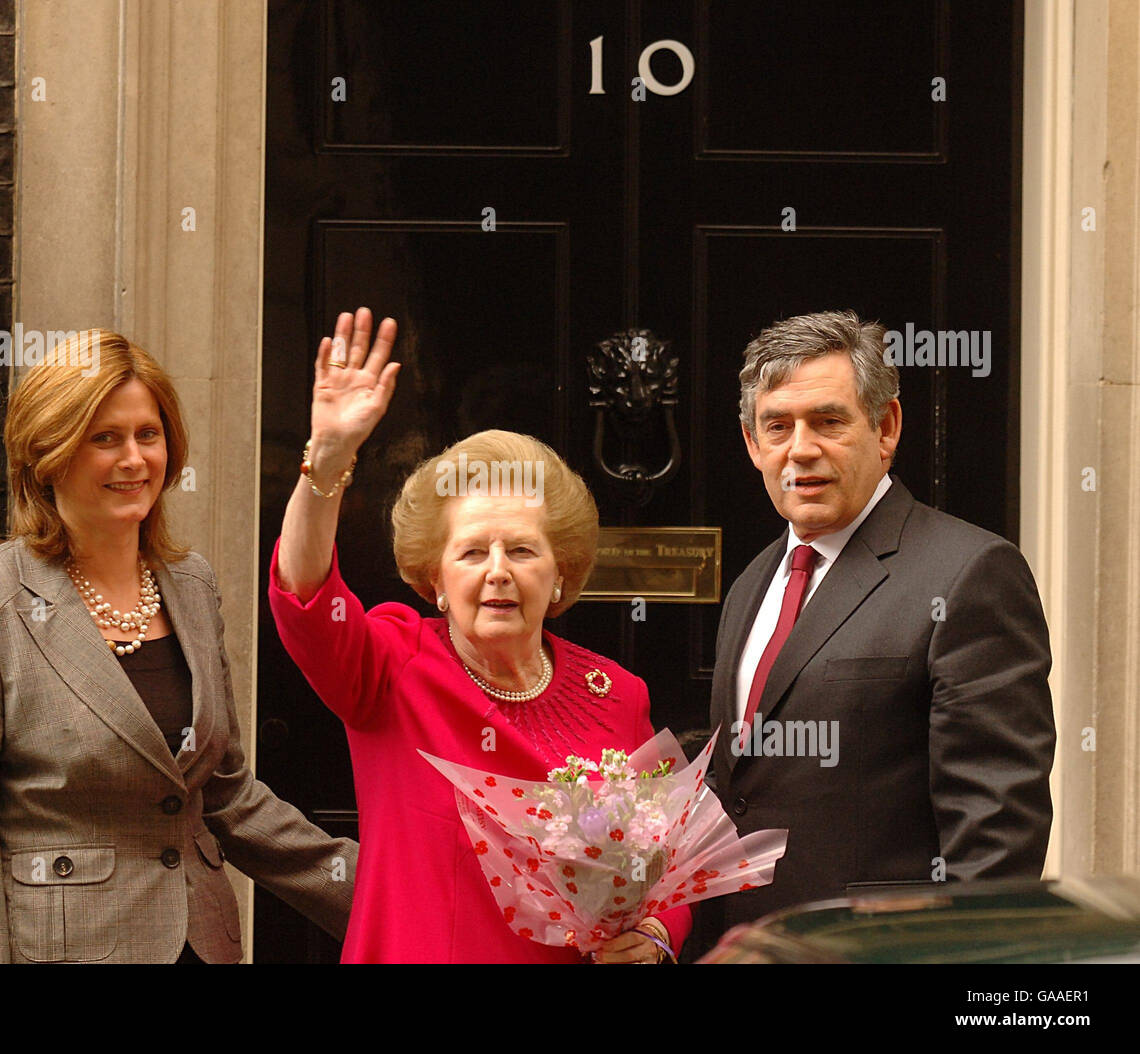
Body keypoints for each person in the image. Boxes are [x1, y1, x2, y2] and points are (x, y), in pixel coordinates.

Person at [0, 331, 357, 963]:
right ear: (49, 453)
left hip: (204, 946)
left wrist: (384, 893)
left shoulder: (191, 586)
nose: (134, 459)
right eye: (105, 438)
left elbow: (226, 794)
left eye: (149, 434)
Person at [269, 308, 692, 963]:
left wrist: (656, 933)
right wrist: (327, 462)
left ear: (559, 576)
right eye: (471, 554)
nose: (498, 573)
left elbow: (666, 864)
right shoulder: (392, 665)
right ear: (435, 578)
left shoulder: (617, 694)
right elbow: (304, 595)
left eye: (522, 551)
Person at [700, 309, 1055, 942]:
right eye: (777, 426)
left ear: (886, 427)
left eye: (829, 421)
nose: (800, 448)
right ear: (753, 444)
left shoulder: (969, 573)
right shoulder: (755, 582)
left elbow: (996, 832)